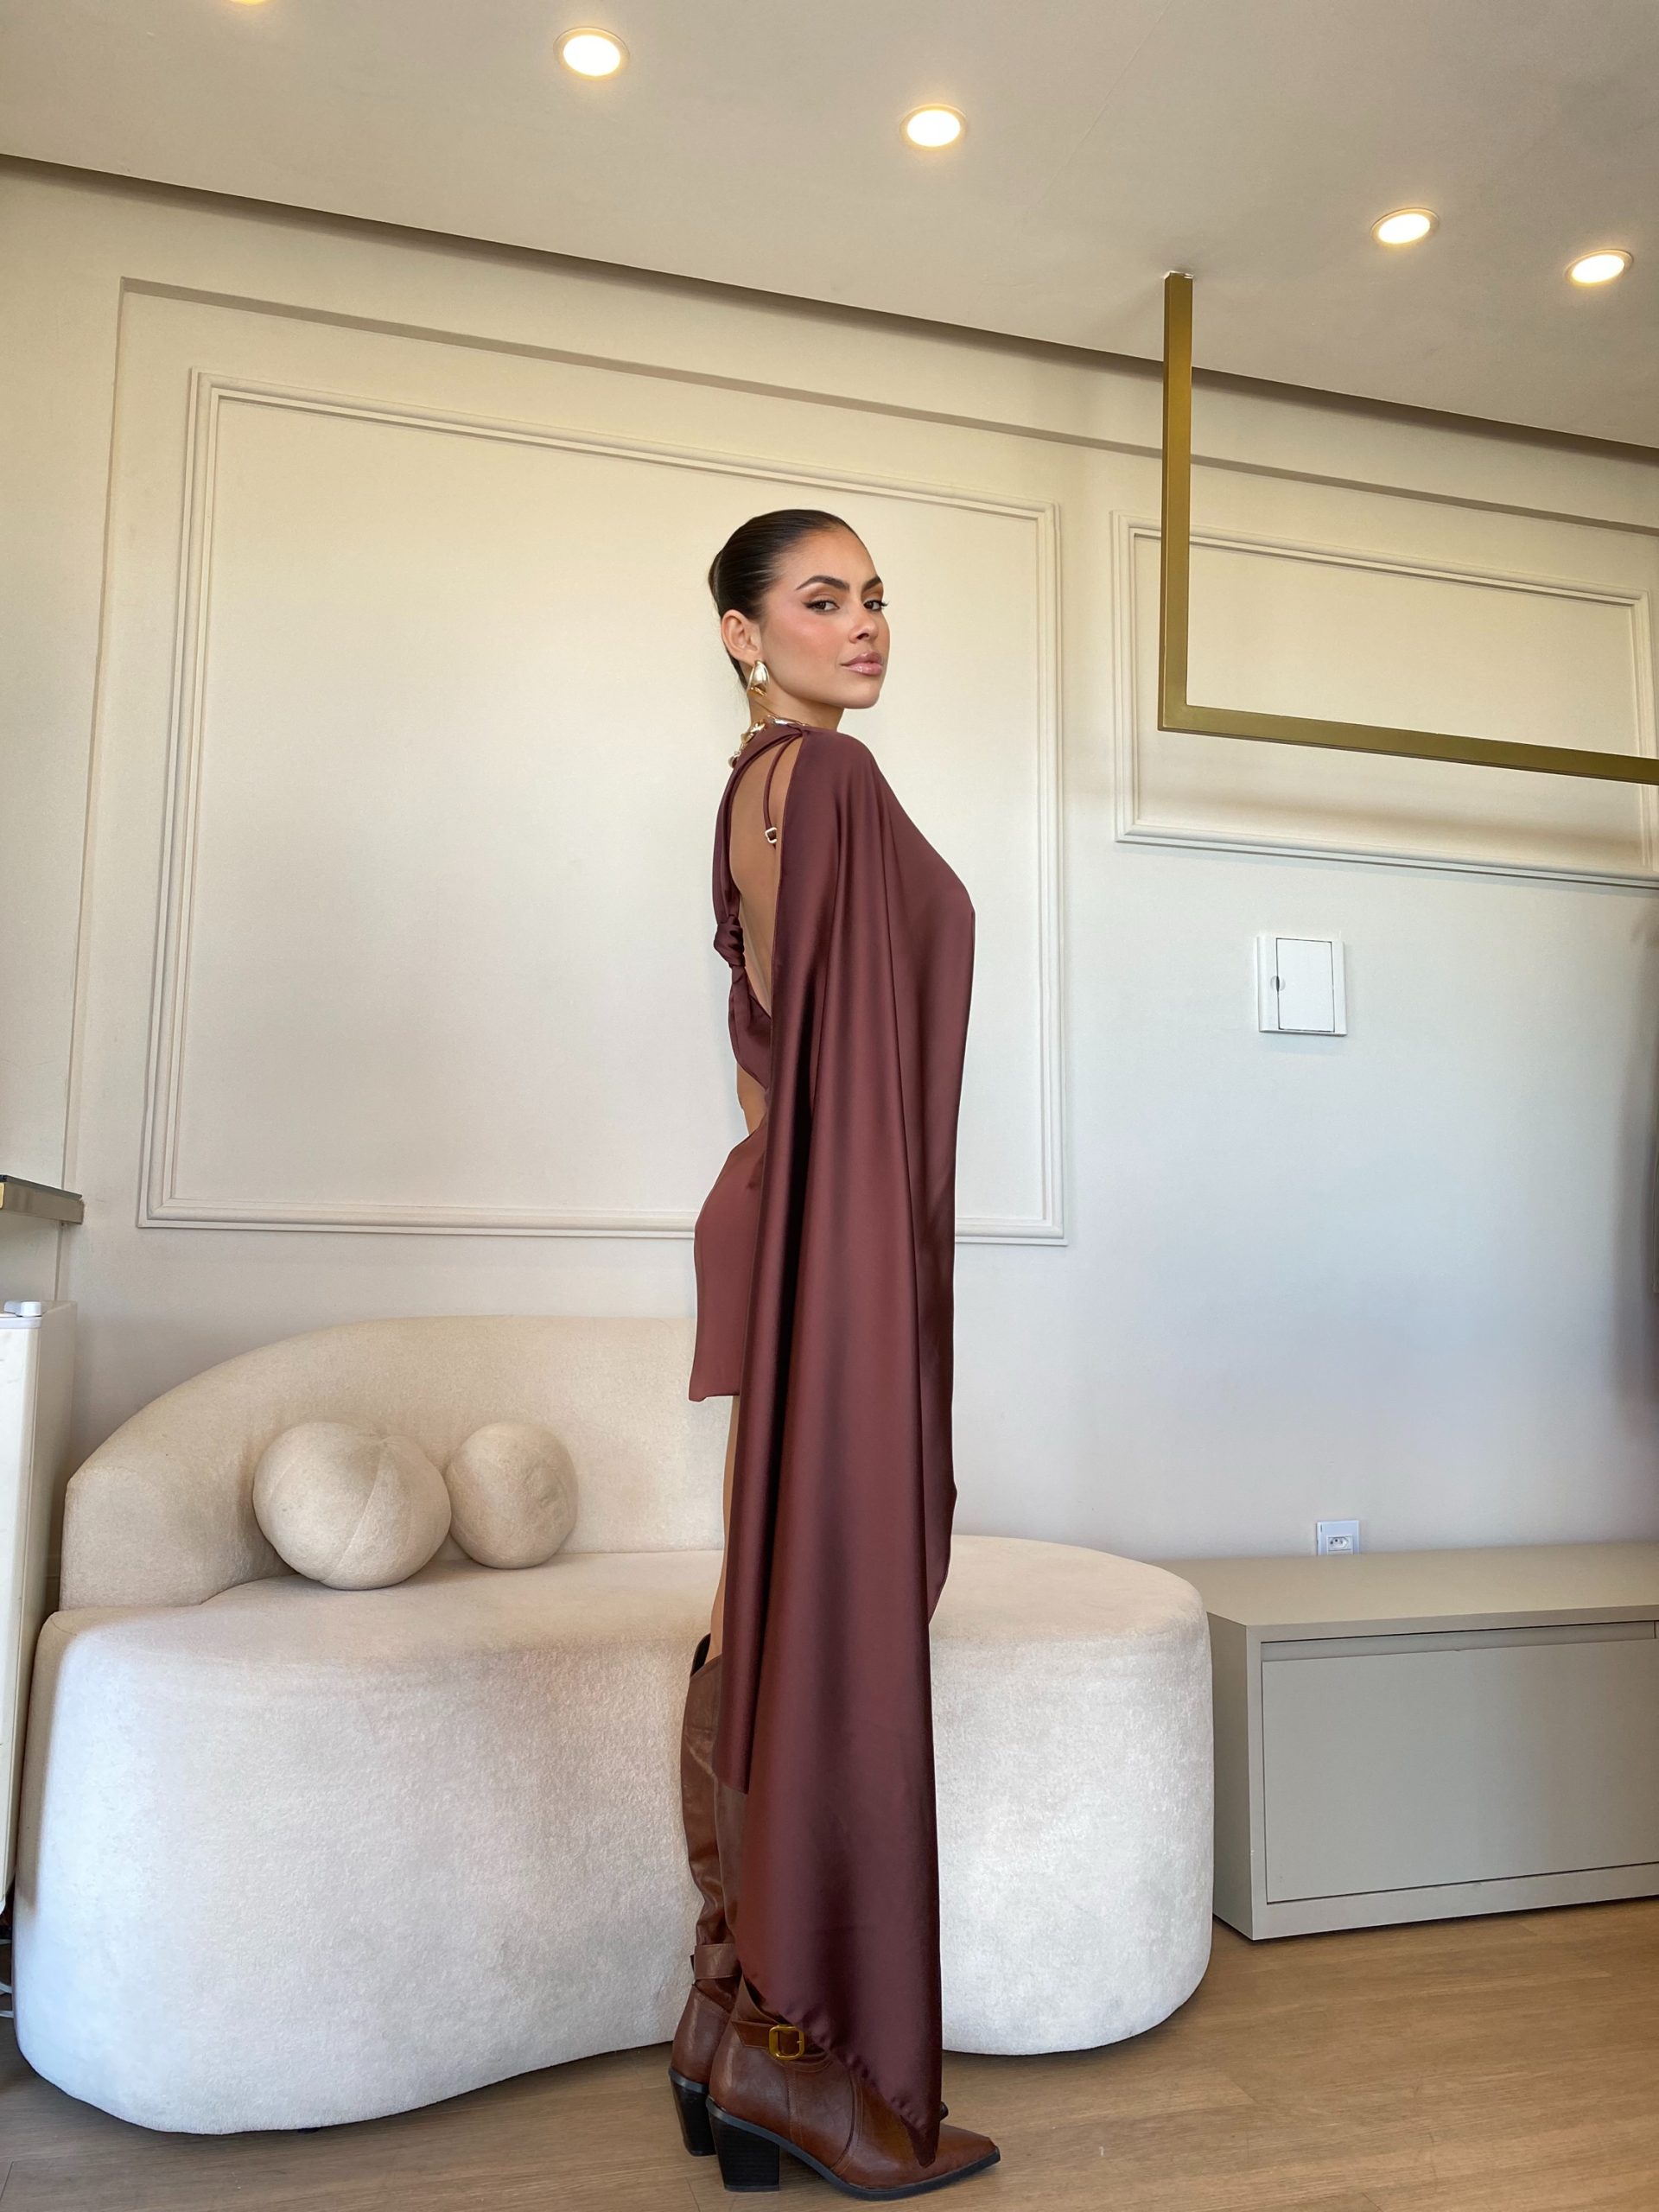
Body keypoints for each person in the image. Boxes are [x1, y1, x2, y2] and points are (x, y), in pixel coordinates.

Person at [668, 509, 999, 2197]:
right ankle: (801, 2057)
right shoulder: (834, 782)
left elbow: (773, 1065)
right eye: (822, 598)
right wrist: (863, 1264)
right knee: (829, 1615)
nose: (864, 623)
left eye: (875, 598)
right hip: (835, 1230)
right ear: (745, 630)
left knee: (772, 1604)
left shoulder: (755, 790)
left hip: (792, 1216)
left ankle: (731, 2028)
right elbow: (839, 1066)